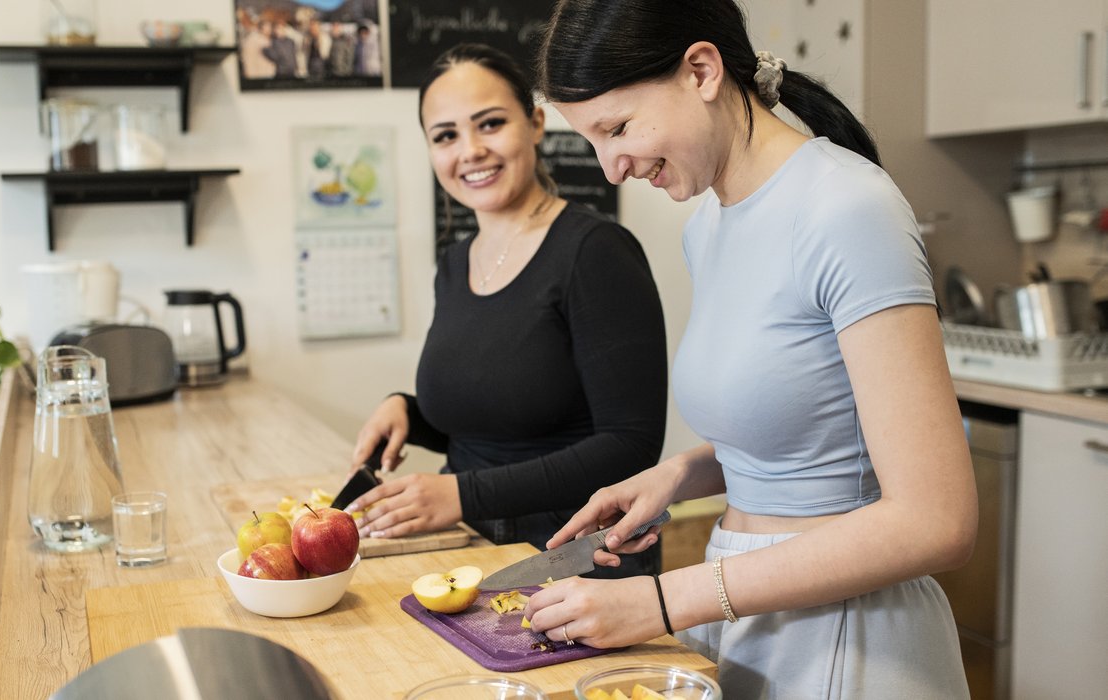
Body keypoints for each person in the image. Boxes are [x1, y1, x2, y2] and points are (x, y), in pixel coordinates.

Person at [521, 1, 977, 697]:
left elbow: (936, 520)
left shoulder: (846, 208)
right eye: (591, 141)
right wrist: (683, 475)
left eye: (617, 128)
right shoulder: (709, 226)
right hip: (744, 608)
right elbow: (812, 422)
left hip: (848, 636)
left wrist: (666, 601)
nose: (610, 168)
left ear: (702, 70)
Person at [344, 43, 668, 579]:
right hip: (472, 553)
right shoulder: (454, 264)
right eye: (445, 136)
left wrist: (463, 495)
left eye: (489, 124)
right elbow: (498, 419)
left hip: (575, 561)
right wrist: (408, 411)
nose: (469, 150)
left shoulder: (595, 251)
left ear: (536, 124)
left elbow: (630, 445)